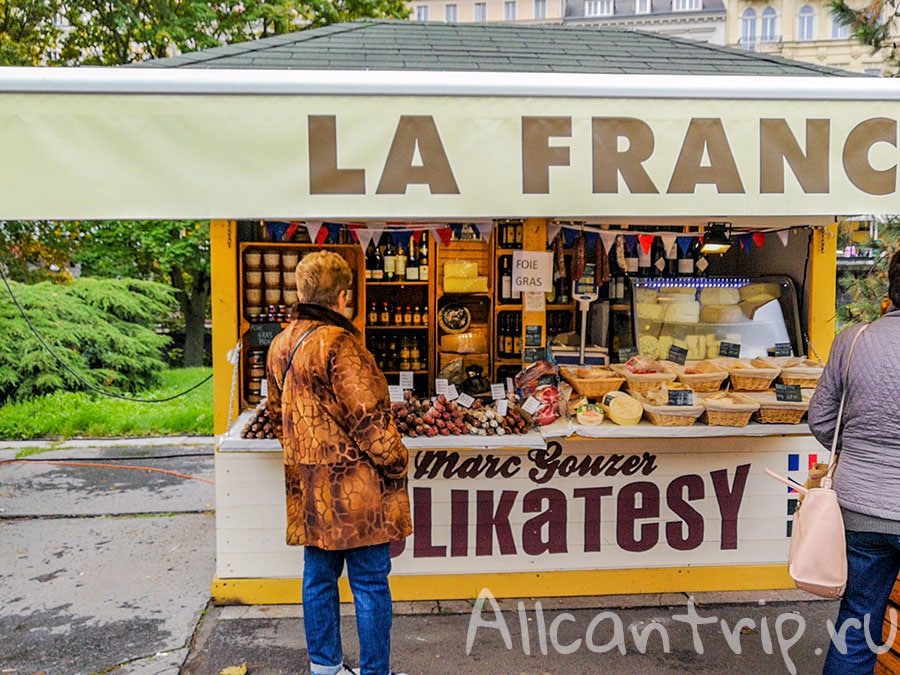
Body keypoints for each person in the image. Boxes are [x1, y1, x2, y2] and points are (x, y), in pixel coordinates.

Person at [266, 250, 412, 675]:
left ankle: (325, 668)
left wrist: (307, 458)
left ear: (301, 293)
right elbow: (369, 420)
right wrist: (397, 462)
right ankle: (374, 671)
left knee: (318, 581)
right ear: (343, 297)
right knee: (369, 583)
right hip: (357, 491)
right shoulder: (341, 344)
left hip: (310, 489)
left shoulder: (280, 344)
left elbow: (278, 418)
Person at [809, 248, 900, 674]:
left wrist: (860, 450)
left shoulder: (853, 340)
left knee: (858, 621)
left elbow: (821, 420)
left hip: (860, 510)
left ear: (891, 288)